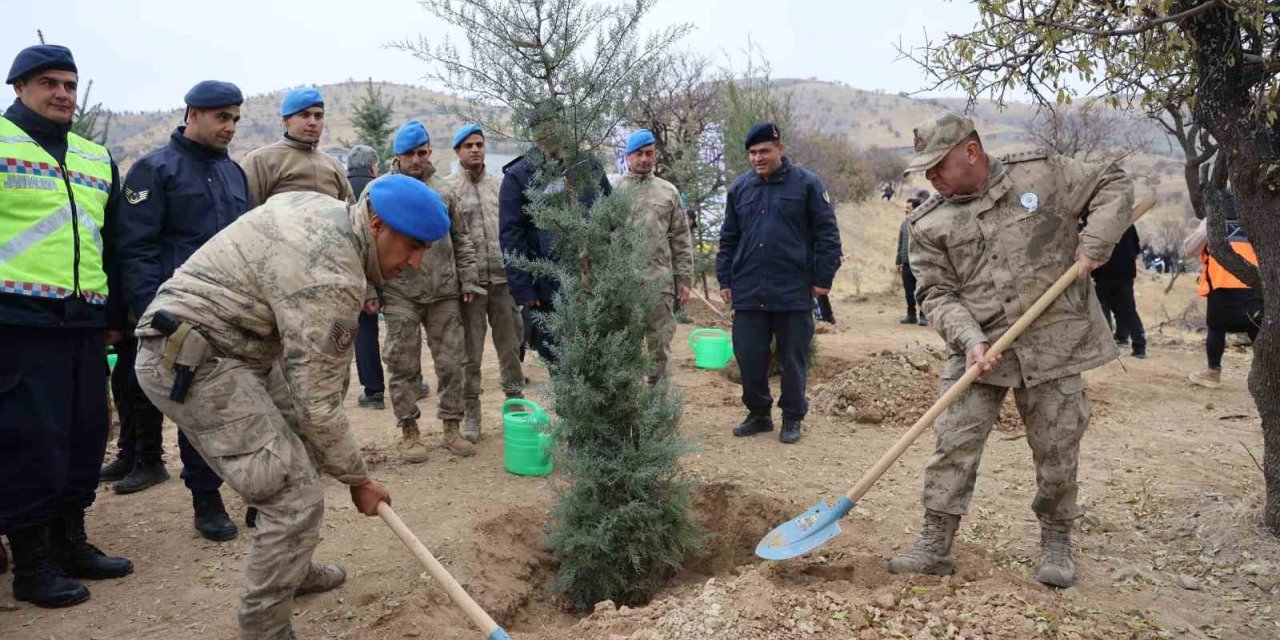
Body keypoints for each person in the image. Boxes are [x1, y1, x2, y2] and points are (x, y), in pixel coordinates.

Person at [133, 176, 438, 639]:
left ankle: (292, 567)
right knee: (292, 497)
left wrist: (336, 462)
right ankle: (264, 629)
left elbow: (311, 403)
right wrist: (360, 480)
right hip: (194, 359)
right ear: (377, 224)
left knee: (302, 454)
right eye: (413, 247)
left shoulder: (330, 210)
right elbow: (319, 402)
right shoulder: (332, 274)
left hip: (237, 347)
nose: (416, 263)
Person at [889, 112, 1132, 588]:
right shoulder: (928, 224)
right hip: (979, 348)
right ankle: (935, 543)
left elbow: (1112, 180)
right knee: (953, 442)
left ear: (971, 150)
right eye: (926, 170)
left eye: (939, 165)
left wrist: (1095, 243)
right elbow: (935, 294)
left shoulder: (1042, 174)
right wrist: (970, 339)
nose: (932, 177)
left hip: (1054, 344)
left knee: (1057, 447)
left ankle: (1057, 540)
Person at [0, 43, 133, 608]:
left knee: (84, 434)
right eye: (48, 83)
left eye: (70, 85)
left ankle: (71, 541)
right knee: (33, 442)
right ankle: (32, 565)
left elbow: (115, 241)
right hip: (17, 321)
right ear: (19, 87)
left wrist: (114, 314)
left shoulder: (94, 156)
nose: (62, 94)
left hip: (83, 323)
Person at [107, 80, 252, 542]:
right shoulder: (155, 170)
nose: (229, 127)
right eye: (220, 117)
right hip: (180, 315)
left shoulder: (234, 174)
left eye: (234, 118)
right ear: (192, 113)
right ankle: (205, 501)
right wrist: (155, 314)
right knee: (195, 411)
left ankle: (256, 495)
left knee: (246, 407)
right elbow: (137, 249)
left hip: (234, 313)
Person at [716, 123, 842, 445]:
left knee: (793, 358)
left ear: (780, 149)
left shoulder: (808, 184)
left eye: (764, 152)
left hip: (792, 288)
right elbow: (728, 238)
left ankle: (792, 417)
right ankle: (759, 414)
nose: (757, 158)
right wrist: (725, 278)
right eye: (752, 153)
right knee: (749, 355)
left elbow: (827, 234)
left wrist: (822, 279)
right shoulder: (739, 189)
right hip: (749, 288)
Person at [379, 120, 481, 461]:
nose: (417, 159)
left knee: (452, 361)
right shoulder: (382, 191)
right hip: (399, 292)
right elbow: (366, 244)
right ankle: (409, 432)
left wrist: (467, 278)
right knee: (402, 363)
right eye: (410, 154)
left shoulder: (444, 190)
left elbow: (461, 238)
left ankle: (452, 428)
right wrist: (368, 289)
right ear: (397, 155)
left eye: (422, 152)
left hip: (443, 290)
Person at [499, 102, 613, 364]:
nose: (548, 132)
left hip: (595, 282)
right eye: (541, 126)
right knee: (560, 361)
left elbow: (611, 214)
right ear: (534, 132)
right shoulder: (519, 176)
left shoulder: (589, 165)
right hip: (548, 289)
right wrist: (523, 288)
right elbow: (511, 236)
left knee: (601, 357)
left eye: (553, 124)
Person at [445, 124, 526, 441]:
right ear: (457, 152)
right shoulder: (449, 189)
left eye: (479, 144)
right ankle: (472, 416)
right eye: (468, 146)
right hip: (471, 287)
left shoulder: (501, 186)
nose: (476, 150)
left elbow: (515, 229)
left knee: (511, 350)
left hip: (504, 281)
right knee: (470, 355)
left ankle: (516, 408)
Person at [616, 129, 693, 383]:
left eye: (649, 153)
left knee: (659, 348)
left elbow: (681, 238)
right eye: (639, 154)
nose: (645, 159)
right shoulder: (614, 191)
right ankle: (627, 407)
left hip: (659, 284)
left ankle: (656, 407)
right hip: (623, 286)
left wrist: (684, 280)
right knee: (625, 348)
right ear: (628, 156)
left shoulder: (668, 192)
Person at [1183, 207, 1263, 388]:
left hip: (1222, 283)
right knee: (1257, 330)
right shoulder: (1261, 216)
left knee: (1216, 329)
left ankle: (1212, 373)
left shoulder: (1213, 219)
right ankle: (1268, 375)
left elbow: (1190, 249)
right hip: (1256, 285)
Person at [241, 87, 353, 206]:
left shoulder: (334, 166)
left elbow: (350, 213)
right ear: (286, 120)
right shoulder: (260, 161)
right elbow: (245, 214)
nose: (313, 122)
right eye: (304, 115)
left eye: (318, 116)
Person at [344, 144, 387, 410]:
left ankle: (373, 392)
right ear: (373, 166)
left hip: (351, 272)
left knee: (364, 332)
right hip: (383, 271)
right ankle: (412, 384)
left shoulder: (338, 189)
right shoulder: (379, 190)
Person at [1092, 225, 1146, 358]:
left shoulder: (1098, 222)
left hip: (1105, 273)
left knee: (1099, 308)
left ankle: (1105, 344)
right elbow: (1136, 248)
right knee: (1127, 309)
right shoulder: (1129, 224)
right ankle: (1138, 345)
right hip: (1125, 273)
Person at [896, 191, 930, 326]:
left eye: (908, 208)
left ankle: (923, 316)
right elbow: (900, 244)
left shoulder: (924, 224)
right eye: (906, 208)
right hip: (906, 263)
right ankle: (911, 315)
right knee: (908, 291)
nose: (906, 210)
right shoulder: (904, 224)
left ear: (916, 209)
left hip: (921, 263)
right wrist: (898, 261)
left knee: (922, 291)